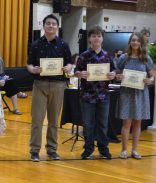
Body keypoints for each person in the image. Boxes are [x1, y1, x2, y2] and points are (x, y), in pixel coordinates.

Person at [27, 14, 72, 162]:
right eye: (48, 23)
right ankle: (34, 150)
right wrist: (33, 70)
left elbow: (70, 63)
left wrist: (68, 68)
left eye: (53, 24)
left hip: (58, 85)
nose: (51, 26)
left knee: (53, 120)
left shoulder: (64, 45)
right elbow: (29, 64)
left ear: (57, 27)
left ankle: (52, 149)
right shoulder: (36, 44)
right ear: (44, 26)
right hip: (40, 85)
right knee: (37, 120)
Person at [75, 25, 116, 160]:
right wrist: (80, 73)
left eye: (99, 36)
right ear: (89, 39)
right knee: (88, 124)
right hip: (87, 96)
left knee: (103, 123)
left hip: (103, 95)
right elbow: (76, 72)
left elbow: (114, 71)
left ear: (102, 39)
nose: (96, 38)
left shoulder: (108, 56)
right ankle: (88, 149)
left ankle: (103, 149)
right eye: (94, 36)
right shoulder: (83, 56)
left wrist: (112, 74)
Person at [115, 32, 154, 159]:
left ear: (141, 43)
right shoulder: (123, 58)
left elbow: (152, 75)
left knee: (137, 123)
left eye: (137, 40)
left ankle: (135, 150)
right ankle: (124, 150)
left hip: (141, 93)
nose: (135, 42)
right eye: (133, 40)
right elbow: (116, 73)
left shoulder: (146, 58)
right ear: (130, 42)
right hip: (126, 93)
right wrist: (118, 76)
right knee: (126, 123)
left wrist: (151, 80)